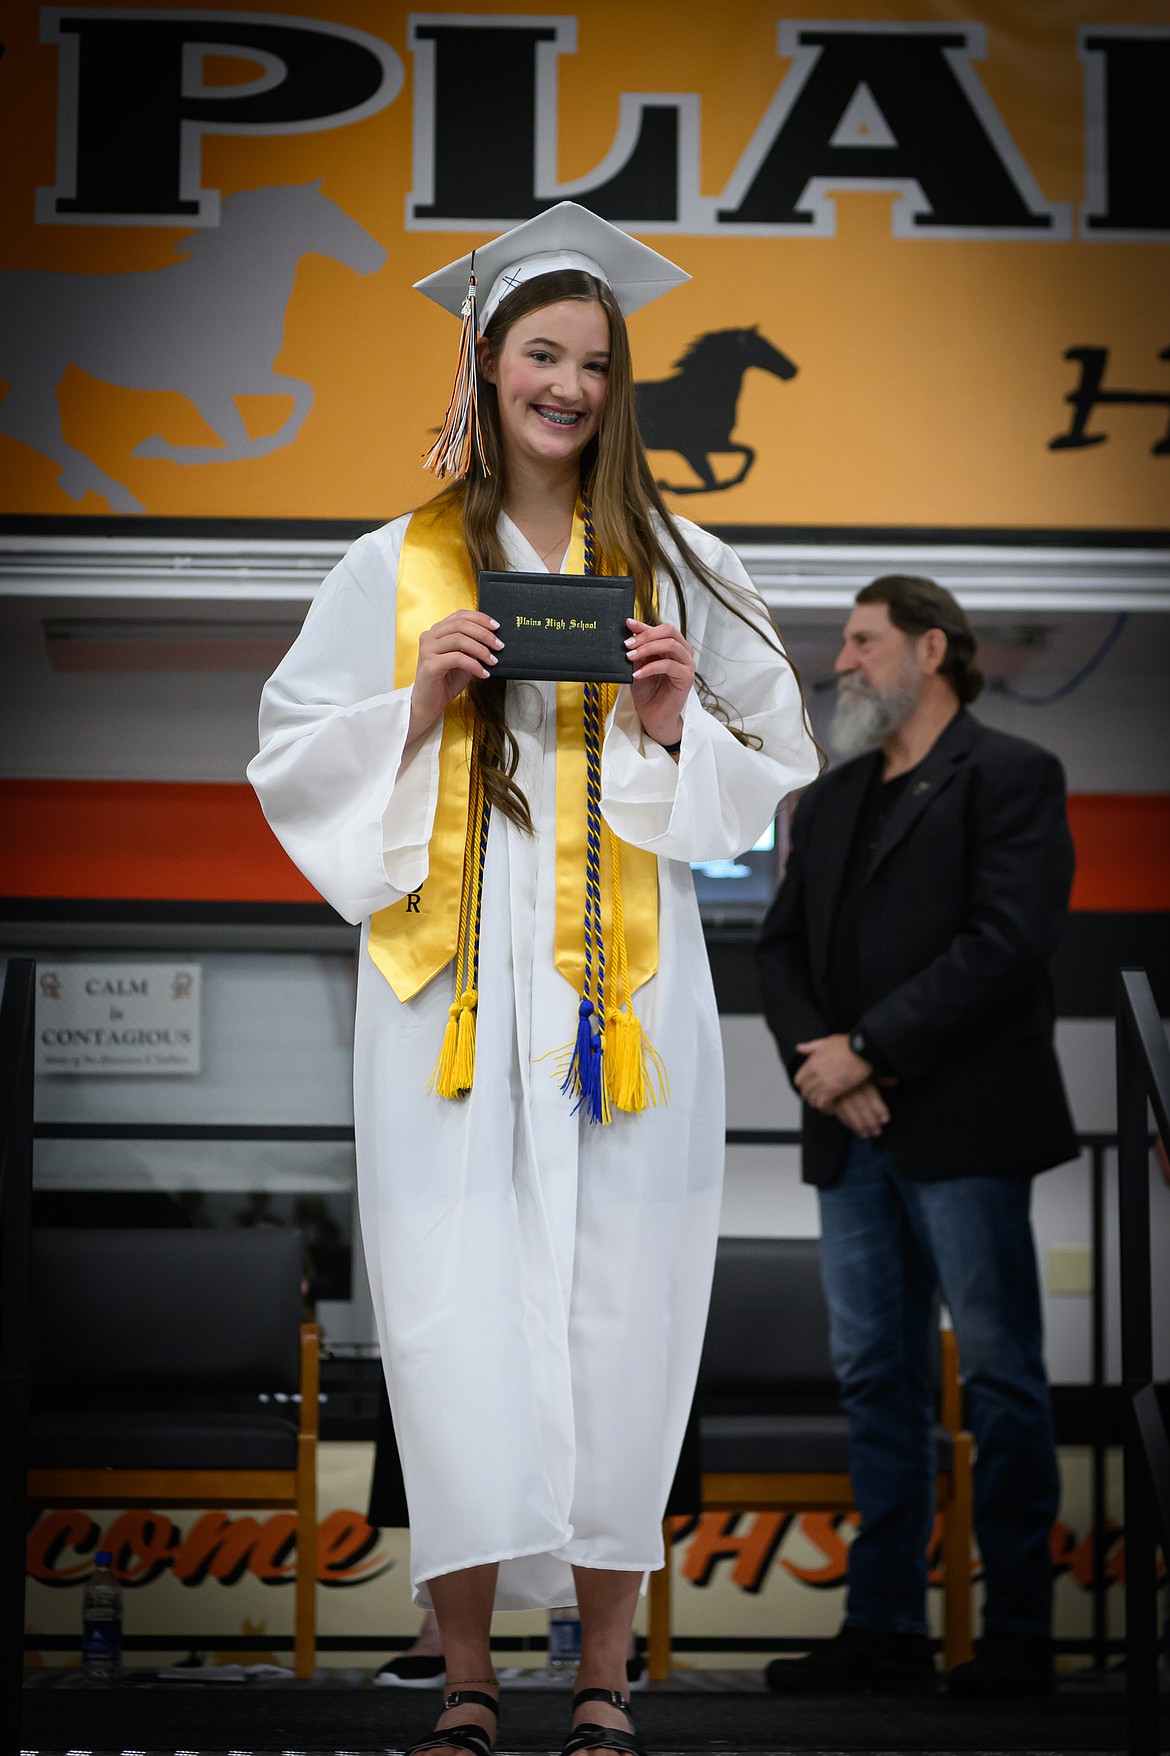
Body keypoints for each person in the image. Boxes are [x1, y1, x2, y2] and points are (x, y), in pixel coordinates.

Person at [249, 202, 817, 1756]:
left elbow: (777, 765)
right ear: (486, 366)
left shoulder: (689, 562)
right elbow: (289, 757)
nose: (566, 383)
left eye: (591, 360)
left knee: (622, 1316)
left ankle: (602, 1678)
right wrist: (418, 700)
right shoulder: (390, 566)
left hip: (623, 1004)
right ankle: (467, 1678)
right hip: (447, 1001)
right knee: (450, 1318)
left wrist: (669, 721)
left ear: (619, 383)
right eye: (539, 353)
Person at [756, 576, 1076, 1699]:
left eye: (861, 641)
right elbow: (779, 956)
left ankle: (1021, 1635)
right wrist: (828, 1068)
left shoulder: (1014, 777)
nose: (841, 662)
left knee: (1000, 1382)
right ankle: (885, 1626)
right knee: (875, 1379)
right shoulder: (830, 798)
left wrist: (871, 1050)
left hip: (965, 1125)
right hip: (853, 1133)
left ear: (932, 648)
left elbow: (1004, 942)